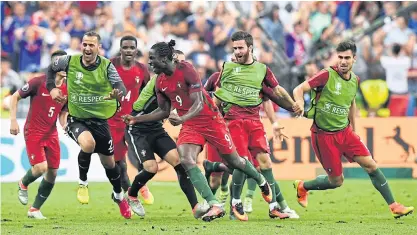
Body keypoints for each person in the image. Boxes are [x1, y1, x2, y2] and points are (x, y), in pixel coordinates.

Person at [123, 40, 273, 222]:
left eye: (153, 59)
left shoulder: (186, 69)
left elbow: (199, 103)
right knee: (185, 159)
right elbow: (163, 111)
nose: (150, 62)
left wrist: (181, 118)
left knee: (234, 161)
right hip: (191, 125)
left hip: (211, 120)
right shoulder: (160, 82)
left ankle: (261, 180)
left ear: (164, 58)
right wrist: (137, 118)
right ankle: (214, 204)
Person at [292, 40, 414, 219]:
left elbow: (351, 104)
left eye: (347, 58)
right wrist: (300, 102)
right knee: (336, 181)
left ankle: (394, 205)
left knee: (371, 165)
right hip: (323, 136)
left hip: (345, 132)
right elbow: (299, 89)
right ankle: (303, 186)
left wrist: (354, 130)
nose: (342, 61)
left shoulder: (355, 80)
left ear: (354, 59)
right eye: (340, 57)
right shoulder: (326, 75)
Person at [213, 31, 301, 221]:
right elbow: (218, 96)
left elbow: (276, 91)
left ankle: (274, 207)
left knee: (266, 163)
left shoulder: (262, 69)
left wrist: (293, 104)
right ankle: (235, 204)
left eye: (240, 48)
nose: (237, 51)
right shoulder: (227, 68)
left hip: (254, 121)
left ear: (250, 48)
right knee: (241, 162)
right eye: (234, 48)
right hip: (234, 120)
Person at [46, 31, 131, 219]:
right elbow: (50, 69)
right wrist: (52, 88)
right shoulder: (69, 61)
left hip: (100, 121)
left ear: (98, 48)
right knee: (88, 144)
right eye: (85, 44)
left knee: (110, 164)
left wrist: (116, 93)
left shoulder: (107, 66)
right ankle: (83, 183)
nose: (87, 48)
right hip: (76, 118)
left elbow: (121, 87)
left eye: (91, 45)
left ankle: (119, 196)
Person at [124, 49, 209, 218]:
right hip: (138, 127)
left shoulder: (182, 80)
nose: (183, 67)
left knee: (179, 163)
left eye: (185, 64)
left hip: (156, 128)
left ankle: (196, 207)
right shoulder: (160, 81)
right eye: (180, 63)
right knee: (151, 168)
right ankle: (132, 195)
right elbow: (157, 109)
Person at [73, 35, 153, 205]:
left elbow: (148, 93)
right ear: (120, 49)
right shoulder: (109, 65)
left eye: (132, 48)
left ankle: (141, 185)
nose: (129, 51)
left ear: (136, 50)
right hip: (112, 122)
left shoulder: (142, 69)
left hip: (132, 120)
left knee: (140, 156)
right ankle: (129, 195)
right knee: (120, 165)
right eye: (125, 47)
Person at [11, 50, 68, 219]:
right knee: (41, 167)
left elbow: (63, 112)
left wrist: (65, 124)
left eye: (66, 62)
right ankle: (23, 183)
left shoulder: (68, 88)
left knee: (52, 173)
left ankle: (34, 209)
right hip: (34, 131)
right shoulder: (38, 82)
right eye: (59, 62)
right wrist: (13, 121)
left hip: (51, 133)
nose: (63, 66)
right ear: (52, 66)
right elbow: (15, 97)